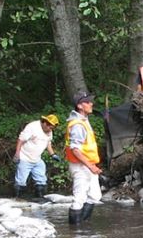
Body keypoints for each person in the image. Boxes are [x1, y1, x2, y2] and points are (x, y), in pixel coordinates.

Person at [65, 93, 102, 225]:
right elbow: (75, 149)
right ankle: (75, 232)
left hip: (87, 164)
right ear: (80, 106)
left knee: (95, 195)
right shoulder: (78, 125)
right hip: (81, 165)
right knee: (79, 198)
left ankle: (83, 225)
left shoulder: (83, 121)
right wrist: (90, 166)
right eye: (88, 102)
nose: (91, 104)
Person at [13, 114, 60, 199]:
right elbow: (21, 140)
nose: (51, 130)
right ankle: (18, 199)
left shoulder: (49, 131)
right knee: (21, 181)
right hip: (25, 157)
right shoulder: (32, 127)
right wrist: (17, 154)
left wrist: (53, 154)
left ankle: (40, 197)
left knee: (42, 180)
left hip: (37, 159)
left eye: (52, 128)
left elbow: (48, 143)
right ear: (45, 123)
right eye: (50, 127)